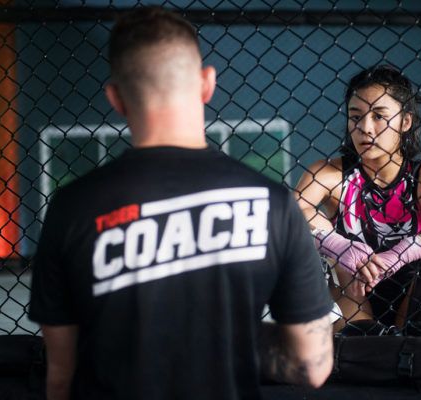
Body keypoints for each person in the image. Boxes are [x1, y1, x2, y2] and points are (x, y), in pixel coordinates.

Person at [29, 7, 333, 400]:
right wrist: (223, 335)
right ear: (207, 83)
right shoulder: (273, 202)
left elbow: (61, 376)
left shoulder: (70, 206)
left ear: (116, 98)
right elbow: (312, 365)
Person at [295, 65, 421, 336]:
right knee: (317, 238)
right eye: (355, 116)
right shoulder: (331, 174)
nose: (364, 127)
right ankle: (364, 337)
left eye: (379, 116)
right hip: (356, 295)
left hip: (415, 294)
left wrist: (403, 252)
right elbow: (289, 210)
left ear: (405, 122)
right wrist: (337, 245)